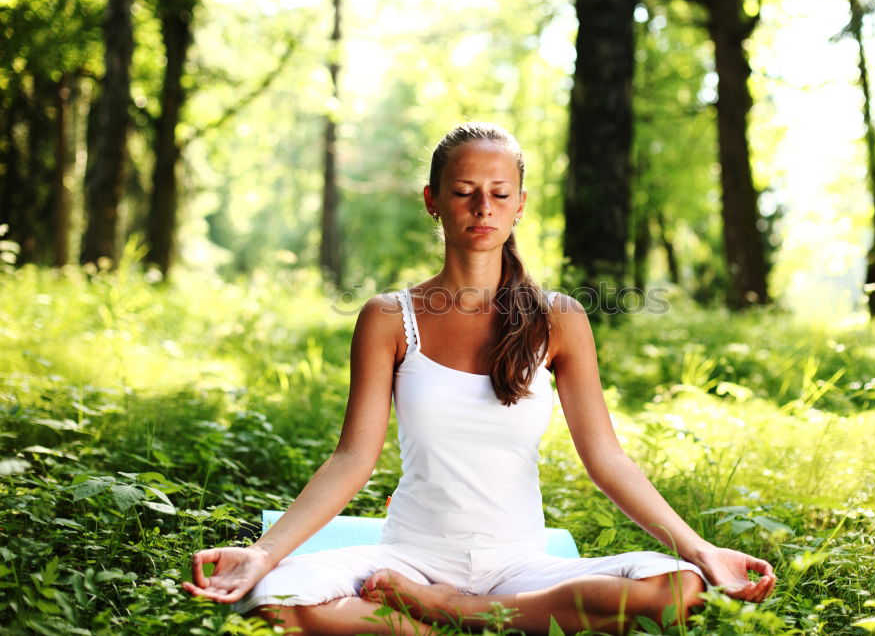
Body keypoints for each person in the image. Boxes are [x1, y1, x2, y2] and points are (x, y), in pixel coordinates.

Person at [182, 122, 776, 635]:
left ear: (521, 204)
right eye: (464, 192)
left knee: (677, 589)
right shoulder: (390, 318)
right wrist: (262, 556)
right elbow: (352, 458)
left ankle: (452, 611)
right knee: (278, 601)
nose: (482, 208)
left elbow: (607, 459)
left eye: (499, 193)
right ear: (433, 200)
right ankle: (476, 618)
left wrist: (700, 549)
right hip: (410, 556)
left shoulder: (559, 319)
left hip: (522, 562)